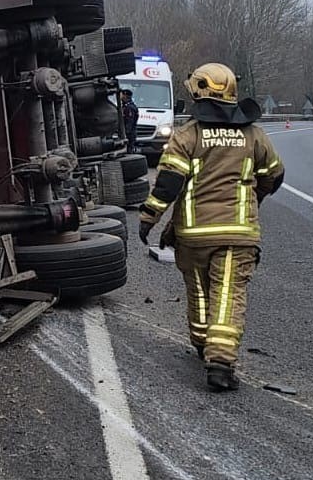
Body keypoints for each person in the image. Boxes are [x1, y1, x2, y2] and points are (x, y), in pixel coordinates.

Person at [137, 63, 284, 391]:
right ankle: (220, 361)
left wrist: (149, 218)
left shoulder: (187, 135)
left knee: (200, 290)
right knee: (228, 294)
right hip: (237, 234)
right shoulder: (253, 135)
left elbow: (167, 185)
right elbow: (275, 174)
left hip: (192, 236)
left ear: (197, 93)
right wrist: (253, 198)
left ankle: (204, 342)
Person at [121, 88, 139, 153]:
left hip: (129, 134)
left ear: (125, 95)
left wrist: (126, 133)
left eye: (122, 94)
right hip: (129, 133)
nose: (121, 96)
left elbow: (129, 121)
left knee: (128, 151)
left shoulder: (130, 107)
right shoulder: (125, 106)